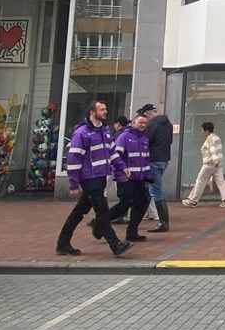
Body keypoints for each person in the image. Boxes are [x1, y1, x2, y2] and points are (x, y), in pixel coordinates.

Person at [55, 99, 131, 257]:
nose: (105, 112)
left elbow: (112, 152)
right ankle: (115, 245)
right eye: (101, 109)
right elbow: (73, 159)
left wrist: (122, 167)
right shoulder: (82, 133)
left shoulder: (104, 130)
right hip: (89, 179)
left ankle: (63, 243)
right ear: (92, 112)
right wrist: (73, 184)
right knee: (102, 212)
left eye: (105, 109)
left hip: (100, 177)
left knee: (79, 211)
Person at [110, 111, 153, 243]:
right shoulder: (124, 137)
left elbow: (145, 160)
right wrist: (121, 172)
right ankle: (99, 222)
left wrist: (147, 176)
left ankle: (132, 232)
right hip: (126, 178)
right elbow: (115, 156)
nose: (143, 125)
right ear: (133, 122)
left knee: (143, 202)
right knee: (124, 205)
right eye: (140, 122)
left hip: (139, 178)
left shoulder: (144, 140)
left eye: (145, 123)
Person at [182, 121, 225, 208]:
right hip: (219, 163)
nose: (201, 132)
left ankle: (193, 200)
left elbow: (213, 150)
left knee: (200, 181)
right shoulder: (217, 137)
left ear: (206, 130)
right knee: (220, 180)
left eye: (202, 130)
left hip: (210, 163)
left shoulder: (210, 139)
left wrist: (215, 160)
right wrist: (217, 162)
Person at [141, 102, 175, 232]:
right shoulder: (168, 124)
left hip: (153, 159)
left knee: (155, 190)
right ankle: (154, 216)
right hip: (164, 159)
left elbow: (146, 141)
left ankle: (163, 222)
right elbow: (170, 141)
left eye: (145, 115)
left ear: (148, 113)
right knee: (152, 188)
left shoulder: (152, 124)